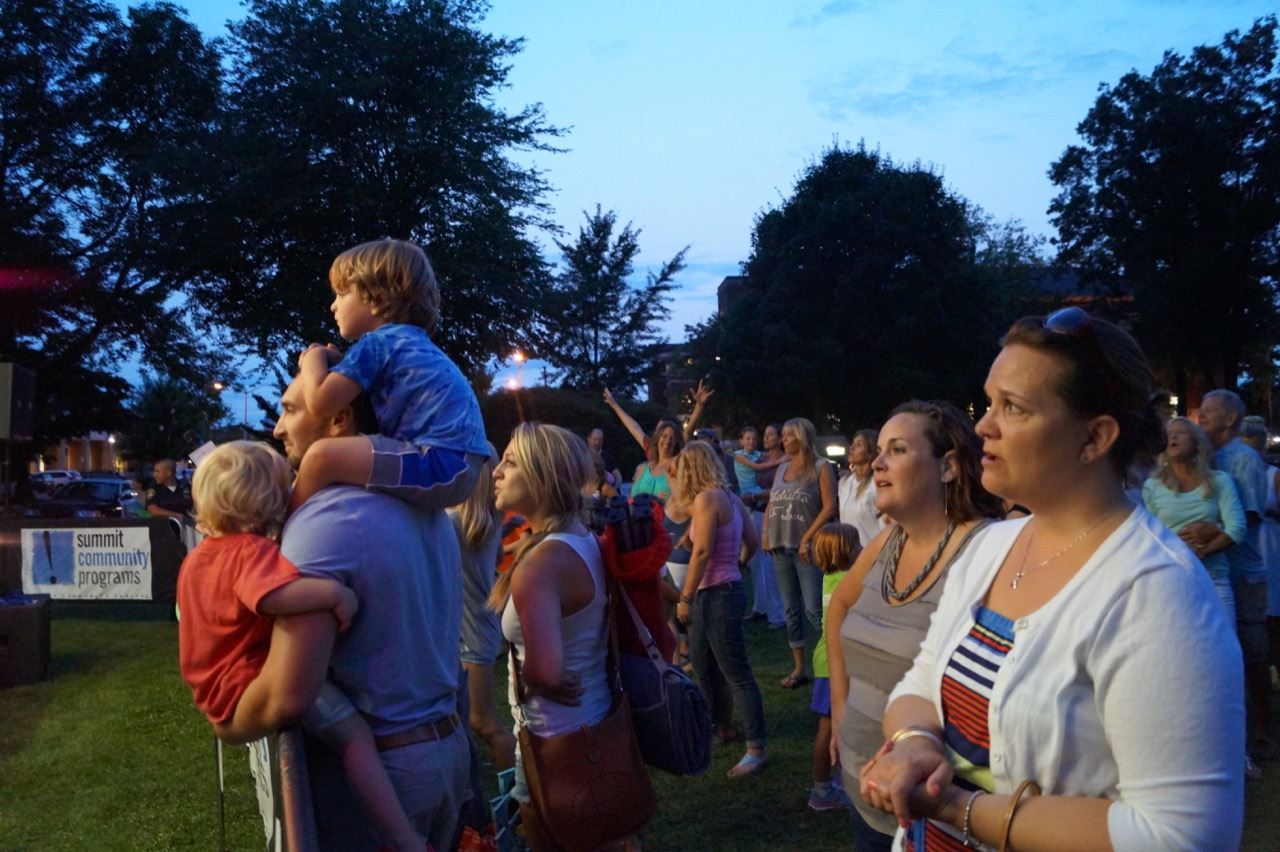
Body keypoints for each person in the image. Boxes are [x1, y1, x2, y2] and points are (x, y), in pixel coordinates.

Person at [860, 308, 1244, 850]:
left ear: (1094, 438)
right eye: (989, 402)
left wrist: (954, 806)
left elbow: (1179, 835)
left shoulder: (1157, 595)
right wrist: (915, 740)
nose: (982, 426)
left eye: (1012, 408)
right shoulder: (991, 546)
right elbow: (923, 678)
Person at [216, 376, 470, 850]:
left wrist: (228, 722)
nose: (276, 428)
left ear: (339, 419)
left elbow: (288, 695)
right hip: (447, 751)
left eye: (291, 410)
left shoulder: (326, 521)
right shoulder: (423, 505)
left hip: (386, 776)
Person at [177, 441, 424, 851]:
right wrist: (334, 593)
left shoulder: (198, 558)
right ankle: (405, 838)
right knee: (354, 736)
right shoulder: (249, 552)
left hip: (213, 690)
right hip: (247, 683)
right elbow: (272, 597)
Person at [825, 401, 1000, 850]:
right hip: (863, 792)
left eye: (897, 450)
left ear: (948, 467)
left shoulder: (985, 552)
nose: (877, 462)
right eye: (879, 450)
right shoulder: (887, 540)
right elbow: (838, 608)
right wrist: (841, 707)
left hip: (932, 810)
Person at [488, 423, 618, 847]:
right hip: (597, 725)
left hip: (553, 746)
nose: (496, 472)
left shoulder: (541, 564)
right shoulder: (582, 540)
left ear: (542, 476)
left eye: (510, 462)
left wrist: (533, 678)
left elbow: (546, 672)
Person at [289, 238, 489, 511]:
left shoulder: (378, 344)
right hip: (463, 467)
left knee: (320, 456)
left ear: (377, 297)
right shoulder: (408, 344)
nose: (333, 306)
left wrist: (312, 359)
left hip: (438, 463)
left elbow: (321, 403)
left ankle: (282, 532)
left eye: (342, 293)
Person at [673, 441, 769, 778]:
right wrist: (737, 563)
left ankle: (756, 748)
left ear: (692, 468)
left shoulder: (708, 499)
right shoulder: (728, 497)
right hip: (719, 591)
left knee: (736, 673)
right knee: (703, 665)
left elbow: (700, 553)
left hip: (716, 595)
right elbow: (752, 542)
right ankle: (721, 726)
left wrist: (684, 598)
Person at [1194, 389, 1275, 766]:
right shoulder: (1206, 458)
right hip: (1214, 568)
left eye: (1209, 411)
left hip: (1241, 571)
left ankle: (1261, 731)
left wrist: (1211, 530)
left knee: (1253, 651)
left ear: (1230, 419)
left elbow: (1252, 515)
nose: (1202, 417)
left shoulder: (1242, 458)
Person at [450, 448, 517, 771]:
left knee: (484, 723)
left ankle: (523, 795)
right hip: (476, 629)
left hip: (472, 635)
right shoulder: (484, 519)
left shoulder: (454, 522)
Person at [1142, 417, 1245, 622]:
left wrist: (1201, 552)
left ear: (1197, 442)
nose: (1173, 436)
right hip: (1172, 580)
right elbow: (1150, 536)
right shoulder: (1152, 487)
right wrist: (1183, 554)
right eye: (1169, 434)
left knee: (1227, 649)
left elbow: (1237, 528)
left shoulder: (1220, 481)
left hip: (1215, 580)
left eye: (1181, 432)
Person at [762, 417, 838, 688]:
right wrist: (765, 533)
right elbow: (772, 503)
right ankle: (799, 668)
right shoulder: (782, 467)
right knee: (791, 609)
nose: (783, 440)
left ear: (802, 437)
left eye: (788, 436)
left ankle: (834, 662)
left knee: (814, 609)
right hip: (780, 546)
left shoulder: (821, 467)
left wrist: (808, 538)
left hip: (807, 549)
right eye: (782, 435)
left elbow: (829, 507)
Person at [806, 522, 858, 813]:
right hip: (833, 662)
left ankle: (836, 779)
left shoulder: (830, 576)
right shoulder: (848, 580)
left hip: (828, 657)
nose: (862, 549)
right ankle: (821, 789)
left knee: (839, 723)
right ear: (844, 552)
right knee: (827, 726)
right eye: (856, 544)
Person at [602, 380, 713, 501]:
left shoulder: (677, 462)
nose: (667, 441)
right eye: (664, 436)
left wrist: (699, 406)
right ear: (658, 437)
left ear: (677, 442)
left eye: (672, 438)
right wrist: (614, 405)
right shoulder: (648, 454)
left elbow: (688, 430)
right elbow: (634, 428)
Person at [1240, 416, 1280, 688]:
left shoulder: (1273, 474)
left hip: (1271, 544)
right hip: (1249, 545)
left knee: (1274, 609)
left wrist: (1268, 511)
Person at [736, 426, 786, 626]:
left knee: (770, 564)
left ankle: (778, 613)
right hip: (755, 512)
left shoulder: (784, 459)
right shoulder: (761, 459)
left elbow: (780, 489)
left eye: (769, 435)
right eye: (763, 435)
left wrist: (756, 495)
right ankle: (761, 606)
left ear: (780, 438)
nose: (764, 438)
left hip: (771, 511)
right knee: (756, 563)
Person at [836, 429, 884, 552]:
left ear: (870, 453)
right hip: (849, 556)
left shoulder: (877, 484)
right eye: (852, 444)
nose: (851, 448)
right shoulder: (845, 484)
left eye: (859, 445)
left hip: (874, 555)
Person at [586, 427, 623, 492]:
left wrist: (614, 488)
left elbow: (618, 476)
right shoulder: (582, 456)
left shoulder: (608, 457)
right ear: (588, 439)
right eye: (595, 439)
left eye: (600, 440)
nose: (597, 442)